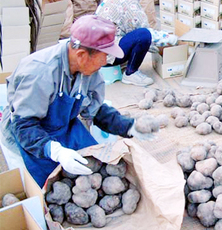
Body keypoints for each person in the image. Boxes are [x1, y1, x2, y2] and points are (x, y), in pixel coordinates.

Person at [0, 15, 152, 187]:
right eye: (104, 56)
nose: (105, 62)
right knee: (45, 189)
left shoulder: (89, 70)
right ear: (81, 55)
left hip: (63, 125)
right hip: (28, 136)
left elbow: (95, 110)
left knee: (97, 166)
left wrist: (127, 126)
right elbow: (24, 127)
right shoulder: (39, 73)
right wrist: (55, 151)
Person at [95, 0, 155, 87]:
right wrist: (172, 41)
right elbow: (146, 32)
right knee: (144, 35)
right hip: (107, 54)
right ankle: (131, 73)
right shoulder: (129, 3)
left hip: (98, 49)